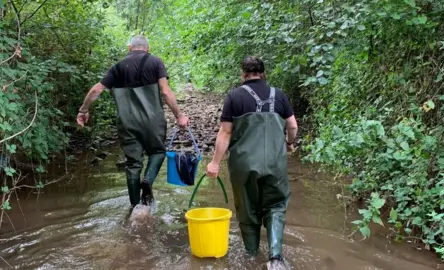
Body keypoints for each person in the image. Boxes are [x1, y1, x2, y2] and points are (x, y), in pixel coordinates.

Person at [206, 56, 298, 269]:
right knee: (276, 206)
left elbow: (225, 132)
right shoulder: (280, 95)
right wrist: (289, 143)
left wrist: (215, 163)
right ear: (264, 73)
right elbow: (292, 126)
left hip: (244, 165)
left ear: (243, 74)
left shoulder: (235, 96)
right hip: (275, 164)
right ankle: (276, 259)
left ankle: (250, 257)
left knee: (247, 209)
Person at [76, 35, 189, 207]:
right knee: (158, 152)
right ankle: (148, 180)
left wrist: (83, 110)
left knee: (133, 163)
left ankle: (136, 208)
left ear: (129, 48)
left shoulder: (117, 67)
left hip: (127, 123)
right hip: (153, 121)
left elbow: (96, 90)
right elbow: (165, 92)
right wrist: (179, 115)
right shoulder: (155, 62)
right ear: (147, 49)